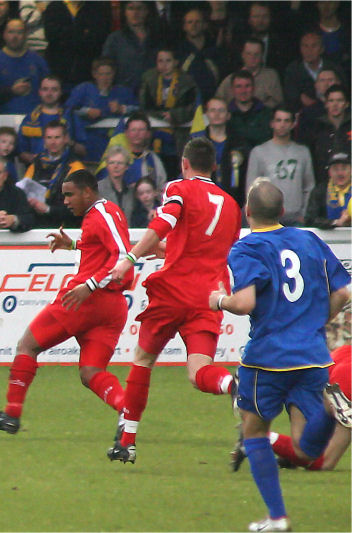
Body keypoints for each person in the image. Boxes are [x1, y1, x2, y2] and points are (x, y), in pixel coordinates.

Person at [207, 178, 350, 532]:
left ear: (247, 212)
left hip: (267, 357)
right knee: (305, 448)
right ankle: (333, 409)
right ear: (283, 211)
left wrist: (219, 300)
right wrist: (315, 323)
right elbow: (343, 293)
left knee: (253, 432)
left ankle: (277, 517)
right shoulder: (308, 239)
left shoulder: (247, 247)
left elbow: (245, 303)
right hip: (314, 355)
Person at [106, 137, 242, 464]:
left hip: (175, 289)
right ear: (213, 166)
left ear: (184, 163)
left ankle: (127, 441)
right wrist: (170, 251)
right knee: (200, 371)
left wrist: (129, 258)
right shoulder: (232, 206)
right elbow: (211, 251)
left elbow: (163, 223)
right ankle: (231, 384)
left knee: (142, 359)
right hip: (210, 295)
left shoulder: (179, 188)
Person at [0, 168, 133, 433]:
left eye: (70, 195)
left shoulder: (102, 213)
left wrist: (89, 285)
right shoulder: (104, 213)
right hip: (112, 306)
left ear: (87, 191)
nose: (66, 201)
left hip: (85, 300)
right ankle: (127, 412)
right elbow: (103, 249)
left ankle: (12, 414)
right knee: (91, 372)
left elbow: (121, 255)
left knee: (27, 345)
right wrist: (74, 246)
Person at [230, 345, 352, 473]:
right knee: (323, 462)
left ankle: (258, 437)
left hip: (331, 361)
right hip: (340, 376)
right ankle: (257, 436)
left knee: (306, 446)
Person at [246, 106, 315, 226]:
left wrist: (304, 214)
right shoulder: (258, 152)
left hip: (296, 218)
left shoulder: (303, 152)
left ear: (293, 124)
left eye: (286, 121)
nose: (282, 124)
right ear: (272, 123)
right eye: (278, 120)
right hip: (267, 218)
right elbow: (251, 188)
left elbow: (309, 186)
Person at [138, 47, 199, 176]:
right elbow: (144, 107)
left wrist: (174, 115)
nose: (164, 65)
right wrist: (161, 116)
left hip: (178, 138)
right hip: (155, 138)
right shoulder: (149, 79)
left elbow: (191, 108)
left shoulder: (187, 81)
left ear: (176, 62)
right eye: (160, 61)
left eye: (168, 61)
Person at [66, 57, 138, 163]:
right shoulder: (84, 89)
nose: (105, 78)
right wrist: (87, 111)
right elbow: (68, 109)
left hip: (115, 146)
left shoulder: (122, 92)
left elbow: (139, 109)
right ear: (94, 74)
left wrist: (122, 108)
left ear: (114, 74)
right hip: (88, 144)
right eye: (101, 74)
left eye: (108, 74)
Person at [23, 119, 85, 228]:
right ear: (44, 140)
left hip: (65, 229)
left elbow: (79, 206)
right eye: (49, 138)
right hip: (36, 227)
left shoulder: (76, 167)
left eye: (57, 137)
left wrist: (48, 209)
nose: (53, 142)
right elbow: (23, 194)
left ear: (65, 139)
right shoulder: (35, 165)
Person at [0, 18, 50, 115]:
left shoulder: (38, 61)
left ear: (26, 35)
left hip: (34, 119)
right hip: (2, 120)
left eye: (19, 32)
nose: (15, 36)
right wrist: (11, 91)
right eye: (11, 32)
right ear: (4, 34)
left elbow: (48, 91)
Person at [192, 97, 249, 207]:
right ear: (206, 114)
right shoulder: (196, 143)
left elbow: (245, 175)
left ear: (228, 115)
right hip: (203, 202)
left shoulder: (239, 143)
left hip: (233, 201)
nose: (217, 114)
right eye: (213, 110)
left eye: (221, 110)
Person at [42, 1, 109, 90]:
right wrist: (81, 33)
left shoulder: (97, 7)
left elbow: (98, 38)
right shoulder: (54, 7)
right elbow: (51, 36)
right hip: (59, 71)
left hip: (87, 72)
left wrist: (68, 33)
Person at [17, 76, 77, 165]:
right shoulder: (30, 119)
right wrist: (35, 160)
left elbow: (84, 150)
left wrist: (70, 143)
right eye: (45, 89)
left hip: (65, 170)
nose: (49, 93)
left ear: (61, 92)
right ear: (40, 92)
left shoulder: (71, 116)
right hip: (37, 171)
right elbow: (20, 151)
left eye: (54, 89)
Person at [101, 1, 159, 93]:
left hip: (153, 94)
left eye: (139, 8)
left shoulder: (157, 38)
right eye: (131, 8)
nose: (135, 13)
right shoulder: (115, 39)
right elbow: (106, 68)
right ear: (124, 12)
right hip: (123, 95)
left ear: (147, 11)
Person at [215, 38, 283, 109]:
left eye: (256, 54)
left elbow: (278, 102)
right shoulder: (230, 79)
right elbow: (217, 101)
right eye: (248, 54)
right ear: (242, 55)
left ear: (262, 55)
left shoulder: (271, 76)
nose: (252, 57)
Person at [283, 31, 342, 112]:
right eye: (305, 46)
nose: (309, 50)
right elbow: (293, 98)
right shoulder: (293, 69)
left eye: (314, 46)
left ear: (322, 49)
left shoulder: (334, 68)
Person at [176, 7, 223, 102]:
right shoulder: (178, 51)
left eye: (197, 22)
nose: (194, 25)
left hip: (212, 103)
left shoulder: (215, 51)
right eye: (190, 22)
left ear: (205, 25)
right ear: (184, 26)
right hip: (185, 103)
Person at [226, 70, 272, 151]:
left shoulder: (267, 114)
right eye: (238, 86)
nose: (243, 91)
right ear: (232, 89)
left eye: (247, 86)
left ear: (254, 88)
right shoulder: (225, 115)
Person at [305, 151, 351, 229]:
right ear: (329, 172)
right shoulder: (320, 191)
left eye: (344, 168)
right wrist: (336, 222)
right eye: (335, 169)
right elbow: (310, 219)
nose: (340, 173)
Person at [98, 145, 136, 219]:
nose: (115, 166)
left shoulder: (131, 192)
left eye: (120, 163)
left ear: (126, 166)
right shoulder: (97, 189)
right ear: (107, 165)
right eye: (112, 163)